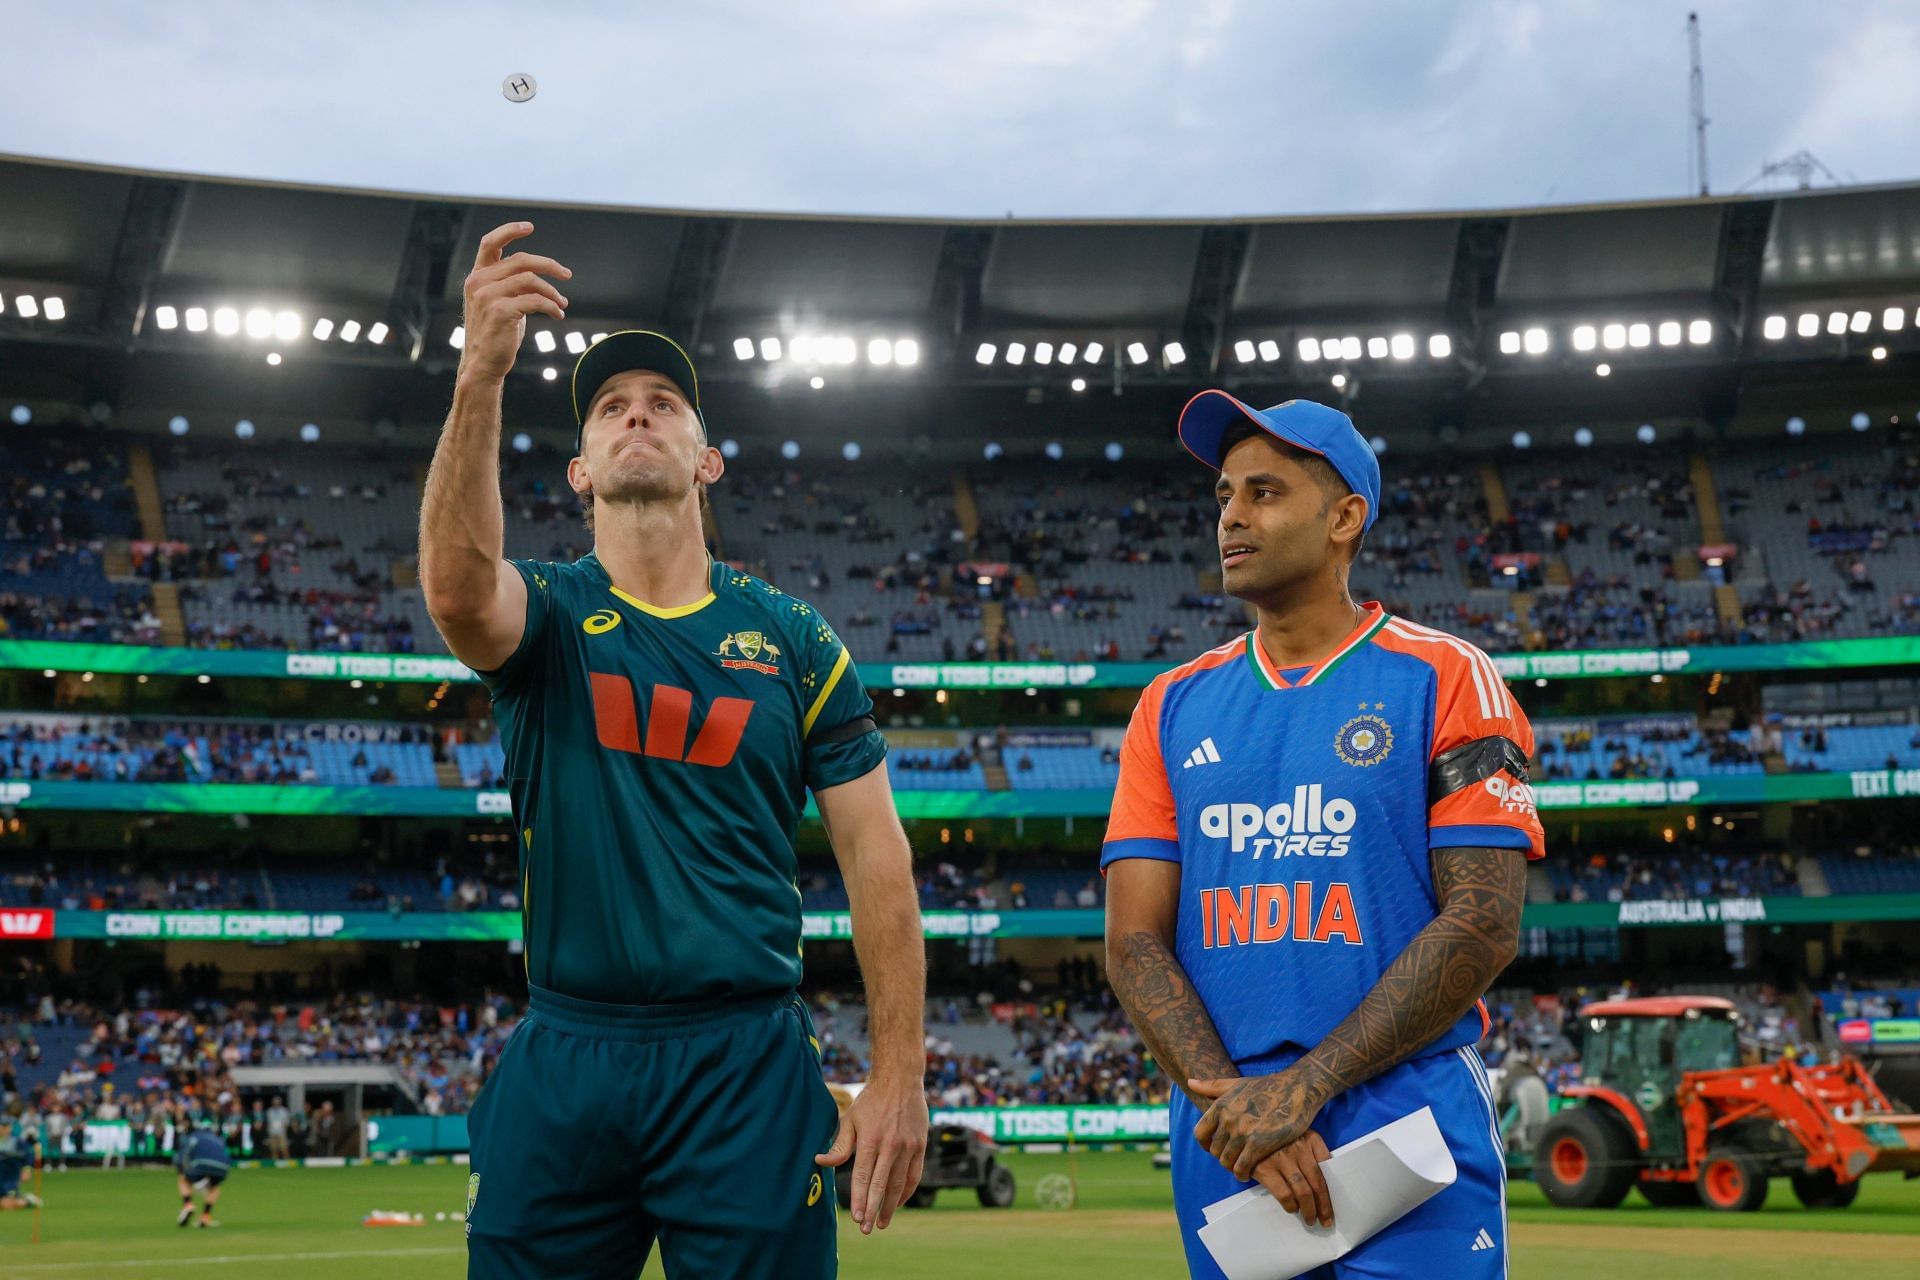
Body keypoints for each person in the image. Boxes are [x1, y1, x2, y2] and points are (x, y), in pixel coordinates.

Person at [420, 222, 927, 1280]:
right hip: (569, 1048)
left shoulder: (794, 637)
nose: (636, 413)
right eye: (610, 406)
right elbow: (459, 595)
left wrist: (900, 1074)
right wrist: (480, 375)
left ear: (707, 460)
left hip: (745, 1058)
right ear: (579, 470)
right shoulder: (548, 613)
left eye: (662, 402)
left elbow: (875, 852)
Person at [1104, 395, 1545, 1279]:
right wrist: (1247, 1108)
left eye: (1263, 492)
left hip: (1404, 1108)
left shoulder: (1446, 675)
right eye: (1225, 495)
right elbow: (1134, 941)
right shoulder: (1170, 703)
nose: (1231, 516)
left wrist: (1305, 1088)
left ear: (1344, 518)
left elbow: (1483, 921)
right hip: (1227, 1123)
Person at [173, 1122, 231, 1228]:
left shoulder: (194, 1137)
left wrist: (180, 1168)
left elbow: (183, 1153)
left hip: (201, 1164)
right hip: (223, 1167)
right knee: (214, 1188)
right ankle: (205, 1216)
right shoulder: (218, 1139)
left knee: (184, 1179)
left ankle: (188, 1204)